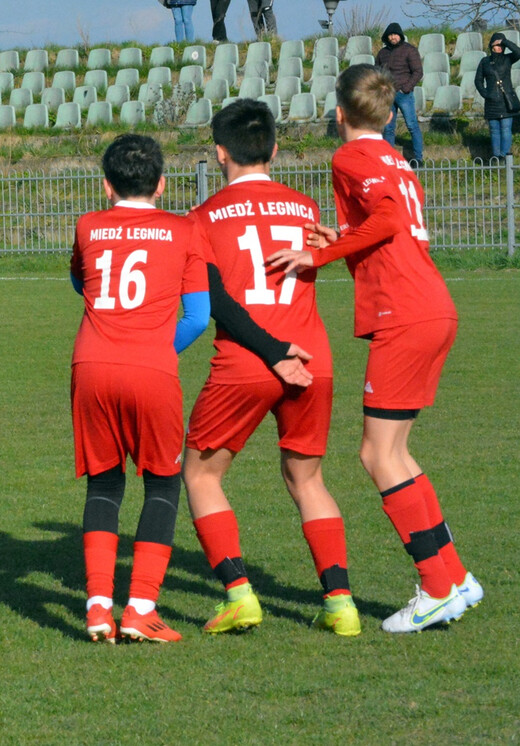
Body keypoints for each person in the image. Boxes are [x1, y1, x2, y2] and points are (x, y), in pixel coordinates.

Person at [267, 65, 482, 634]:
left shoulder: (349, 157)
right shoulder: (395, 158)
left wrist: (320, 256)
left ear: (339, 112)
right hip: (432, 303)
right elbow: (396, 223)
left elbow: (386, 220)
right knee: (398, 453)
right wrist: (341, 238)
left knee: (376, 456)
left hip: (404, 312)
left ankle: (436, 588)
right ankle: (455, 577)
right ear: (389, 115)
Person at [184, 99, 360, 637]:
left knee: (200, 472)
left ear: (219, 153)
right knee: (307, 479)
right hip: (313, 359)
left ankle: (240, 595)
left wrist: (268, 351)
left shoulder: (203, 218)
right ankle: (342, 606)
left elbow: (213, 300)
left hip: (248, 360)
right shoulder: (305, 208)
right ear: (275, 150)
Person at [69, 133, 209, 643]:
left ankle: (98, 609)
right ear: (163, 183)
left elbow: (82, 283)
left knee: (104, 484)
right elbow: (198, 317)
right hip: (151, 368)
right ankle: (141, 609)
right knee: (163, 482)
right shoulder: (185, 229)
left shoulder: (88, 225)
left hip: (92, 364)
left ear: (107, 186)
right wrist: (154, 349)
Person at [376, 23, 424, 164]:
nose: (393, 37)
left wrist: (406, 88)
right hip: (387, 95)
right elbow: (376, 73)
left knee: (412, 125)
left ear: (400, 35)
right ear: (387, 37)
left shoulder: (409, 50)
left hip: (404, 94)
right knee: (388, 128)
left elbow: (418, 72)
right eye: (390, 35)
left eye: (395, 34)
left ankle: (418, 158)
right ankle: (388, 160)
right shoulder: (382, 53)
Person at [474, 32, 520, 159]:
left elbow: (518, 51)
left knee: (506, 129)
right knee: (494, 131)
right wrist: (486, 94)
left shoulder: (508, 59)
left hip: (506, 101)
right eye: (497, 44)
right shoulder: (484, 61)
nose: (499, 47)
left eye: (501, 45)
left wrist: (504, 41)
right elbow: (478, 80)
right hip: (492, 102)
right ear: (491, 45)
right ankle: (496, 157)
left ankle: (505, 156)